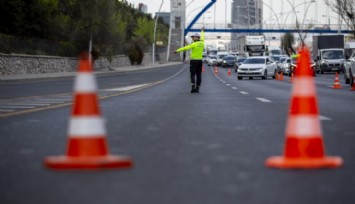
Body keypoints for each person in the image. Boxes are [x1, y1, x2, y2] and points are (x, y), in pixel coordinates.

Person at [175, 27, 205, 93]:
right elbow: (202, 37)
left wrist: (177, 50)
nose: (192, 38)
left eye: (193, 37)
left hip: (194, 61)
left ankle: (193, 87)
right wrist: (202, 31)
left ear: (197, 38)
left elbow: (185, 48)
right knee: (199, 75)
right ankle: (197, 88)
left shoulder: (193, 44)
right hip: (200, 61)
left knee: (192, 74)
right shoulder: (202, 43)